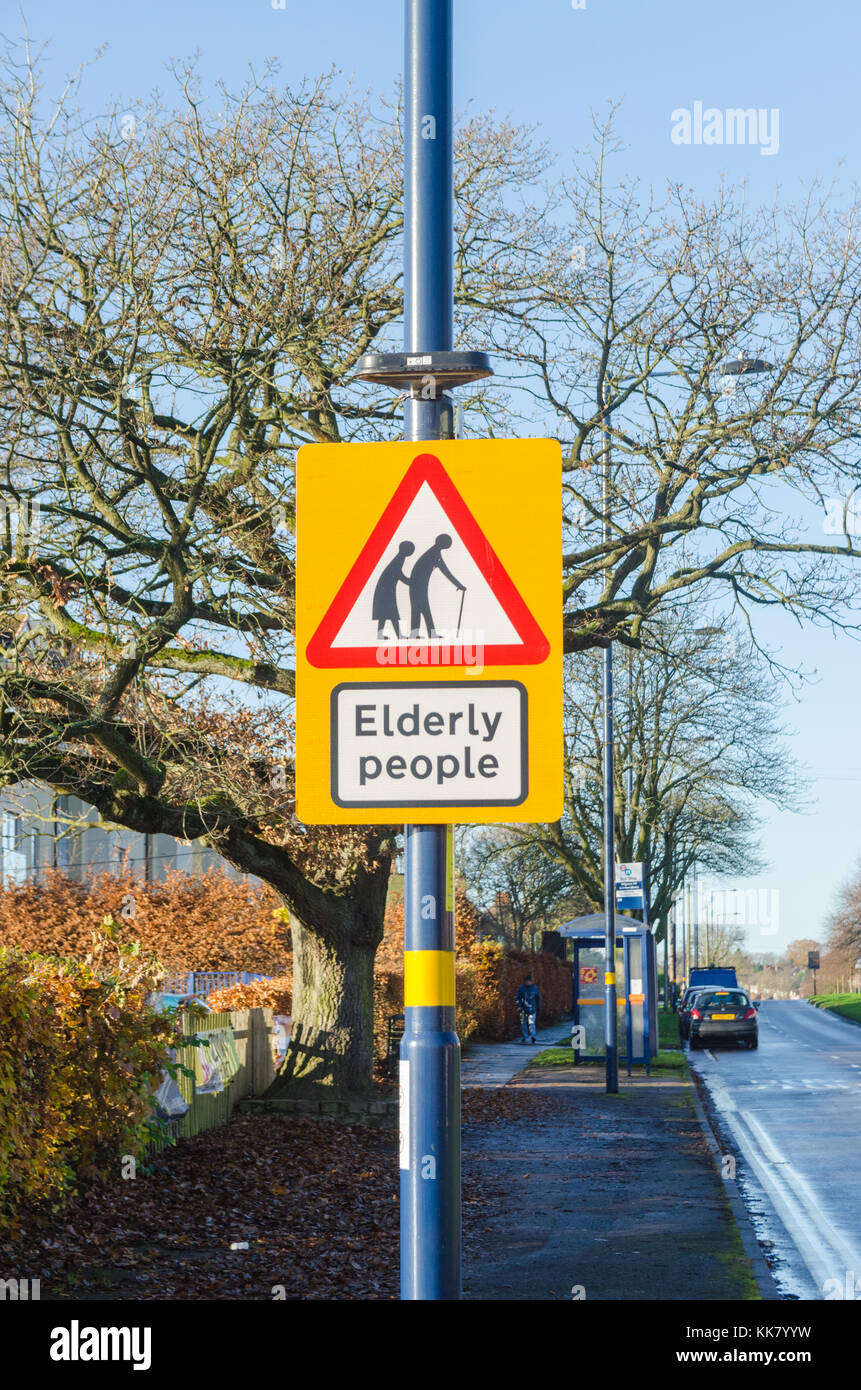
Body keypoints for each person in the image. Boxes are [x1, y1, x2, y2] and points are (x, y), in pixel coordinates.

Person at [408, 533, 465, 639]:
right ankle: (420, 634)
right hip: (418, 586)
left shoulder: (434, 552)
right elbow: (446, 571)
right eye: (448, 543)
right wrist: (459, 585)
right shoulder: (434, 554)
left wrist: (459, 585)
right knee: (420, 609)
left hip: (419, 586)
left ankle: (424, 634)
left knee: (422, 609)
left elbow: (444, 570)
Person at [372, 540, 415, 639]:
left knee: (386, 613)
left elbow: (398, 573)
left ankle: (383, 634)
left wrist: (408, 581)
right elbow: (398, 573)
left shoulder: (400, 558)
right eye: (411, 550)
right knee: (391, 613)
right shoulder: (399, 559)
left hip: (386, 589)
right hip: (386, 590)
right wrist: (410, 582)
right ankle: (397, 635)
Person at [515, 974, 540, 1044]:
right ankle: (525, 1036)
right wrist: (518, 1006)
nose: (527, 983)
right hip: (523, 1009)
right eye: (526, 981)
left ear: (531, 981)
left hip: (532, 1009)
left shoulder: (534, 988)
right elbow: (517, 998)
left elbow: (538, 998)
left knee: (531, 1023)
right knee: (523, 1024)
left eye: (529, 981)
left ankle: (533, 1036)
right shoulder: (521, 988)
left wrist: (538, 1007)